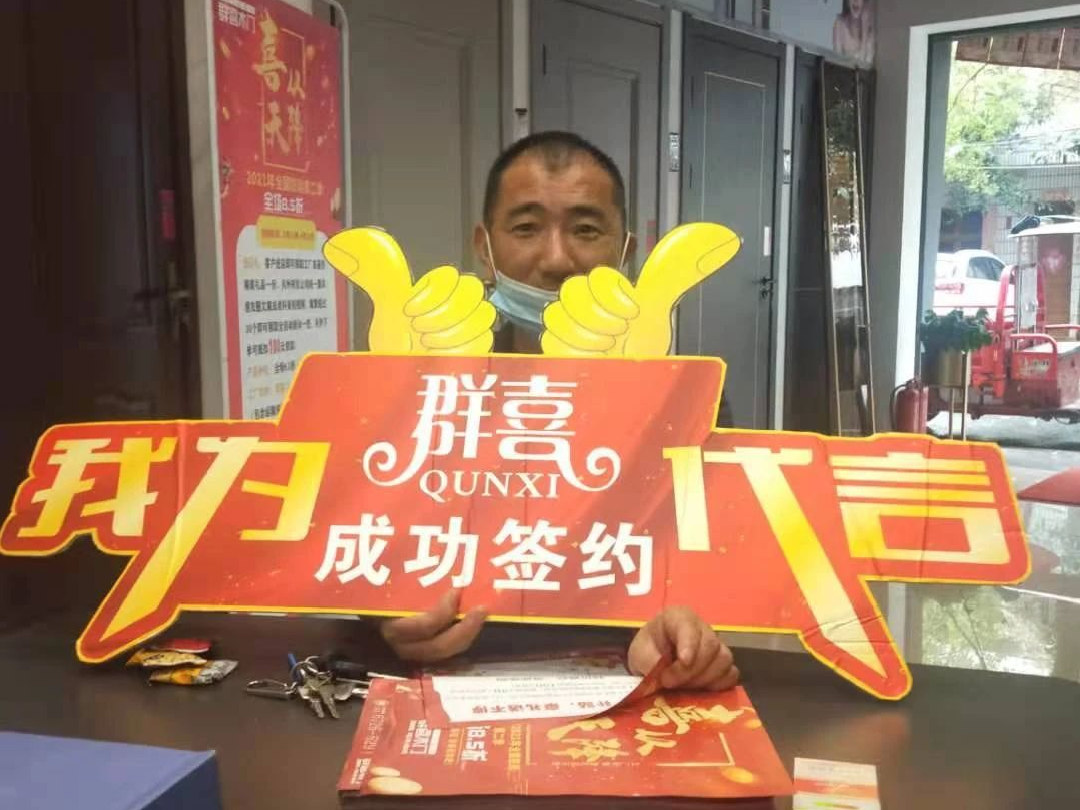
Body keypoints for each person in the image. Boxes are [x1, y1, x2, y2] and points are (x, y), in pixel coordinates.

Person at [378, 131, 739, 693]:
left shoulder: (688, 394)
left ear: (625, 249)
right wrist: (382, 617)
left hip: (627, 683)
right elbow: (355, 541)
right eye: (525, 228)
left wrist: (684, 629)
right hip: (448, 685)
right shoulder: (420, 380)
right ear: (484, 246)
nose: (556, 260)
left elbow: (719, 555)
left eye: (586, 230)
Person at [832, 0, 875, 65]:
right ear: (847, 1)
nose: (856, 0)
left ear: (865, 3)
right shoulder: (840, 24)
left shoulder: (870, 33)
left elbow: (865, 65)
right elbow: (837, 63)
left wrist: (865, 29)